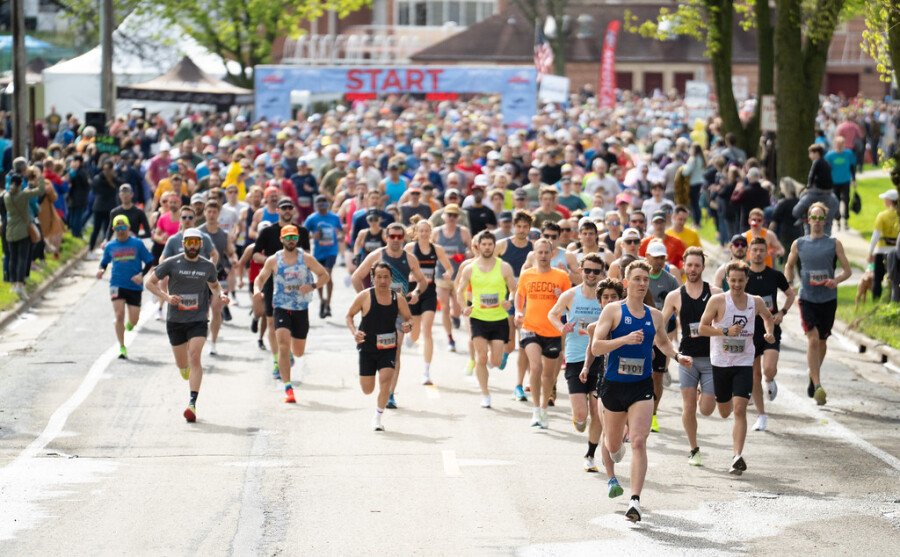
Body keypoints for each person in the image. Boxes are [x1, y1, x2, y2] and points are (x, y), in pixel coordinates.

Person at [591, 260, 693, 522]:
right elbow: (596, 347)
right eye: (637, 279)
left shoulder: (655, 315)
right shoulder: (613, 310)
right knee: (613, 445)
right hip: (614, 386)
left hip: (641, 386)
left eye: (645, 279)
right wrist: (624, 339)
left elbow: (663, 342)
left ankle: (634, 500)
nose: (642, 283)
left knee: (638, 441)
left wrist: (677, 356)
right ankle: (613, 456)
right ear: (626, 282)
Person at [699, 260, 776, 475]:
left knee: (740, 409)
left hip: (744, 362)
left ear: (747, 280)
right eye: (732, 280)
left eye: (740, 280)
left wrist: (769, 332)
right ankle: (705, 393)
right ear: (727, 280)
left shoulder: (755, 301)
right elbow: (702, 328)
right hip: (721, 362)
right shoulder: (717, 301)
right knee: (725, 412)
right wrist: (724, 332)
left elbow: (768, 317)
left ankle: (737, 456)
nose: (736, 285)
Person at [145, 228, 230, 423]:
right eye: (189, 242)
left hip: (198, 319)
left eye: (196, 243)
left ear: (201, 245)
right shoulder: (171, 262)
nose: (192, 246)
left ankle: (192, 403)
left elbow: (214, 285)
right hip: (175, 320)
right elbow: (150, 283)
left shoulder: (207, 265)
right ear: (183, 244)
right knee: (182, 364)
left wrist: (221, 295)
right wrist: (167, 297)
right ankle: (184, 369)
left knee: (195, 356)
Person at [352, 222, 428, 409]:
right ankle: (375, 374)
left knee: (396, 349)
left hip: (398, 310)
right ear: (386, 237)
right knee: (374, 348)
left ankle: (390, 393)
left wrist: (416, 293)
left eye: (399, 237)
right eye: (392, 236)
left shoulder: (409, 258)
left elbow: (422, 281)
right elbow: (356, 277)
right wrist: (366, 300)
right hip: (376, 311)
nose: (395, 240)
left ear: (404, 238)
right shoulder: (377, 255)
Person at [784, 202, 852, 406]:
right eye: (814, 217)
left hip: (828, 299)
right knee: (813, 340)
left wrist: (835, 281)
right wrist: (789, 283)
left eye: (821, 218)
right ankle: (818, 384)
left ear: (825, 220)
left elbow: (847, 271)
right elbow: (788, 265)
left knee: (822, 342)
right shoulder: (799, 244)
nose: (817, 221)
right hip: (807, 298)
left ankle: (812, 373)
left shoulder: (834, 244)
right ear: (808, 219)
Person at [253, 225, 329, 403]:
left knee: (298, 351)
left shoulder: (306, 258)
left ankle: (292, 356)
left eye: (293, 237)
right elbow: (261, 278)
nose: (290, 240)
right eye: (287, 237)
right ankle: (288, 388)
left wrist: (312, 286)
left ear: (297, 239)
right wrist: (257, 290)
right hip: (281, 306)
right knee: (283, 345)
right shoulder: (273, 260)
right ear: (281, 239)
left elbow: (324, 275)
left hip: (301, 308)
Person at [662, 247, 722, 466]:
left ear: (703, 267)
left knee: (706, 409)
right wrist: (667, 348)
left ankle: (702, 393)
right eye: (689, 265)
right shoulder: (675, 296)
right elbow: (660, 324)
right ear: (683, 266)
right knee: (688, 407)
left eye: (697, 265)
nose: (693, 269)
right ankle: (694, 449)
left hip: (711, 358)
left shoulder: (715, 293)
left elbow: (726, 321)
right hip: (687, 359)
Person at [548, 254, 606, 470]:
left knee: (597, 410)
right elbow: (552, 314)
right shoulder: (570, 295)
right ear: (581, 270)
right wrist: (561, 327)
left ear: (601, 273)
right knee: (581, 416)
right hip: (575, 357)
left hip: (599, 358)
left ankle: (590, 455)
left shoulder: (606, 298)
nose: (591, 275)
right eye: (587, 270)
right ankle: (579, 420)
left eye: (596, 271)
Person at [346, 262, 413, 431]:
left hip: (388, 347)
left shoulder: (398, 298)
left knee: (385, 380)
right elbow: (349, 316)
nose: (383, 281)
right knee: (367, 389)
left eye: (386, 277)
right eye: (379, 277)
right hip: (367, 348)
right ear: (373, 278)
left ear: (391, 279)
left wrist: (408, 325)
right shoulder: (364, 296)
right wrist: (354, 332)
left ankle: (377, 418)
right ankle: (371, 387)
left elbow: (409, 318)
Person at [457, 230, 518, 408]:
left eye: (490, 244)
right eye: (484, 244)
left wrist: (509, 301)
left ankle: (491, 362)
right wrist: (464, 307)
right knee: (481, 357)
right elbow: (460, 291)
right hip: (478, 318)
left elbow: (514, 289)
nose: (487, 247)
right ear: (478, 246)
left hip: (499, 319)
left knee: (496, 362)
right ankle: (485, 394)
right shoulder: (470, 268)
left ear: (494, 246)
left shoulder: (504, 267)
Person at [515, 238, 571, 429]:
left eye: (547, 252)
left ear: (552, 254)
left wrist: (560, 297)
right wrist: (518, 311)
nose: (543, 255)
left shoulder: (561, 276)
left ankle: (544, 409)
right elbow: (519, 295)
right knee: (536, 366)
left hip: (552, 331)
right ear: (534, 253)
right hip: (530, 328)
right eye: (540, 252)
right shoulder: (527, 275)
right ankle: (536, 409)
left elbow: (569, 305)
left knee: (548, 375)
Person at [253, 197, 311, 378]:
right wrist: (274, 263)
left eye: (289, 208)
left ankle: (287, 351)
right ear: (277, 210)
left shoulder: (302, 231)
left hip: (296, 286)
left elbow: (308, 255)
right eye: (283, 208)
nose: (287, 210)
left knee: (293, 324)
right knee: (272, 322)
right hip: (273, 283)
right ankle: (277, 360)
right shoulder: (268, 231)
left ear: (293, 210)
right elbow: (255, 255)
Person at [745, 237, 795, 431]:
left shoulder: (774, 275)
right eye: (754, 250)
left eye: (761, 250)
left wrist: (782, 312)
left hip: (770, 328)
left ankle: (770, 379)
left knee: (768, 369)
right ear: (749, 252)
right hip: (750, 331)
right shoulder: (744, 276)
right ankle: (761, 415)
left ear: (767, 252)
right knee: (754, 375)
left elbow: (790, 294)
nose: (758, 253)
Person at [97, 214, 154, 359]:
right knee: (119, 315)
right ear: (113, 230)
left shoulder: (137, 244)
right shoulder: (110, 246)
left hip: (134, 286)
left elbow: (149, 261)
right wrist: (101, 270)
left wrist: (142, 275)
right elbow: (104, 262)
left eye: (123, 228)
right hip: (117, 284)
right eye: (117, 228)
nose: (120, 231)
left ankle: (130, 325)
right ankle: (122, 347)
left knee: (134, 320)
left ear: (128, 228)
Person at [404, 219, 453, 385]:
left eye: (427, 231)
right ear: (416, 232)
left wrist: (448, 273)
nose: (424, 233)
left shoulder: (436, 249)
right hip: (413, 293)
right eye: (421, 231)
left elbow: (449, 267)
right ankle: (411, 337)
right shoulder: (410, 248)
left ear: (430, 232)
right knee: (415, 332)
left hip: (429, 293)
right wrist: (409, 276)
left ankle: (426, 371)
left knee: (427, 331)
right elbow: (400, 267)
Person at [496, 211, 534, 401]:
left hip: (527, 299)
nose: (521, 230)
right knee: (511, 342)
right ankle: (505, 351)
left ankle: (522, 384)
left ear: (529, 228)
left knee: (524, 342)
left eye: (525, 227)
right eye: (518, 226)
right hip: (506, 297)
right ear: (513, 226)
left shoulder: (533, 249)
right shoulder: (502, 245)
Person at [644, 240, 680, 432]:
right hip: (641, 334)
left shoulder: (670, 281)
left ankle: (653, 415)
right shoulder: (640, 277)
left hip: (660, 334)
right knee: (641, 374)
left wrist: (674, 330)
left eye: (662, 258)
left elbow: (677, 307)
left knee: (657, 376)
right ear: (647, 256)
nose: (658, 261)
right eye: (655, 257)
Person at [432, 203, 471, 353]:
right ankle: (450, 338)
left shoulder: (463, 232)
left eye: (455, 215)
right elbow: (429, 250)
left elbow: (472, 249)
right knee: (445, 308)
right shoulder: (437, 232)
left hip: (459, 276)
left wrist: (466, 254)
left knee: (457, 308)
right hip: (441, 274)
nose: (452, 218)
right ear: (444, 216)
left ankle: (456, 317)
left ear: (458, 217)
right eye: (449, 215)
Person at [2, 172, 45, 299]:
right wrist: (40, 176)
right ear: (20, 184)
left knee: (13, 258)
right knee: (22, 258)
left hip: (10, 231)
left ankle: (13, 284)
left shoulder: (6, 196)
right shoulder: (23, 194)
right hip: (23, 232)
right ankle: (20, 284)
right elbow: (41, 190)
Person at [303, 194, 342, 317]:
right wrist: (313, 236)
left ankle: (328, 303)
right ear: (316, 206)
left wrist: (338, 234)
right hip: (318, 252)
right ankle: (322, 301)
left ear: (328, 205)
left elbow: (340, 231)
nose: (322, 207)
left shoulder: (334, 217)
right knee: (320, 276)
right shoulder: (311, 218)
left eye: (324, 204)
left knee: (328, 274)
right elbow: (303, 233)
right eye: (319, 205)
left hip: (331, 251)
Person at [869, 189, 899, 301]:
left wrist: (870, 252)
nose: (884, 201)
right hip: (897, 252)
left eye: (885, 199)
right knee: (896, 279)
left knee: (877, 279)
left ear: (890, 201)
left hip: (881, 252)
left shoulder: (882, 216)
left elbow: (875, 236)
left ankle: (876, 300)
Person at [825, 136, 856, 231]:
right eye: (837, 144)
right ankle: (837, 220)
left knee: (846, 200)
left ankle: (846, 220)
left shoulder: (848, 153)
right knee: (836, 201)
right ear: (834, 145)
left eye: (841, 144)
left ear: (844, 145)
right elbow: (826, 170)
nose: (839, 146)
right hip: (834, 182)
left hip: (846, 180)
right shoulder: (829, 155)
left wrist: (854, 179)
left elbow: (852, 167)